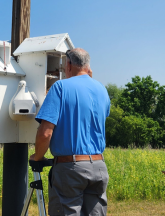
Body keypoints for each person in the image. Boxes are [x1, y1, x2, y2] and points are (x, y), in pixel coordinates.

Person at [30, 48, 110, 216]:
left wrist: (37, 158)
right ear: (88, 66)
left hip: (70, 169)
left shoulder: (60, 87)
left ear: (68, 65)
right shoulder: (102, 90)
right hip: (99, 167)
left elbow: (45, 133)